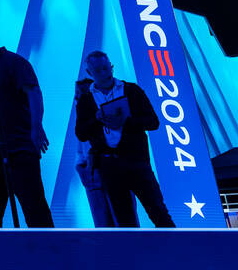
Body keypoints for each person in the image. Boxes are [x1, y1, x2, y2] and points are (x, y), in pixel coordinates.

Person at [0, 24, 54, 227]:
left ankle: (49, 255)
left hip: (18, 149)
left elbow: (33, 93)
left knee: (34, 208)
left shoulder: (14, 63)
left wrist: (36, 126)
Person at [75, 51, 175, 228]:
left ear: (111, 67)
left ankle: (179, 252)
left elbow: (153, 121)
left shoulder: (132, 90)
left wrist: (126, 121)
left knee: (158, 210)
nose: (103, 73)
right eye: (97, 70)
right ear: (90, 73)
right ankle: (134, 254)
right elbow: (81, 133)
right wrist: (96, 119)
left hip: (136, 161)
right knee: (124, 219)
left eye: (106, 68)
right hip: (109, 165)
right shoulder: (86, 100)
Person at [73, 78, 118, 227]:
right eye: (77, 94)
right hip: (90, 169)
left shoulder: (109, 113)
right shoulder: (81, 122)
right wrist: (81, 166)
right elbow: (81, 145)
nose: (78, 98)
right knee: (101, 219)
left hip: (111, 164)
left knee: (121, 216)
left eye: (83, 93)